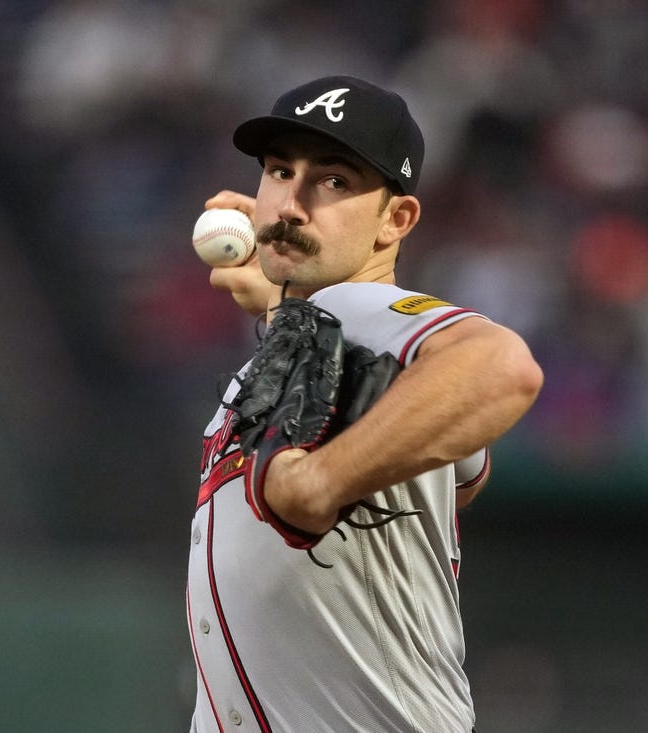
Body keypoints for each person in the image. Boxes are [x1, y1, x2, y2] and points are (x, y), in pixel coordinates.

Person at [187, 74, 543, 733]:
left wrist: (321, 479)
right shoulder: (332, 341)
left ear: (396, 219)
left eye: (333, 182)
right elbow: (463, 473)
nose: (291, 204)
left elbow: (503, 366)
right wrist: (278, 304)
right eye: (277, 172)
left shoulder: (359, 310)